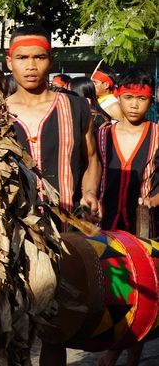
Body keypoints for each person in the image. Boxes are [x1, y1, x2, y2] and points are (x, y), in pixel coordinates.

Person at [5, 25, 101, 366]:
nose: (31, 66)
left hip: (63, 234)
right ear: (10, 62)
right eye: (22, 58)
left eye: (39, 57)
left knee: (55, 326)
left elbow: (92, 160)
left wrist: (89, 192)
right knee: (8, 325)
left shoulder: (76, 108)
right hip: (8, 233)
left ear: (51, 60)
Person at [94, 68, 158, 366]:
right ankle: (117, 345)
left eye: (141, 99)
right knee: (117, 289)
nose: (134, 105)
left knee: (144, 291)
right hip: (108, 226)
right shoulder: (102, 134)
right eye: (128, 97)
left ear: (151, 99)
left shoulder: (158, 134)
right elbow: (91, 171)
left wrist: (152, 201)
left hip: (146, 229)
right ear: (118, 96)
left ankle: (125, 355)